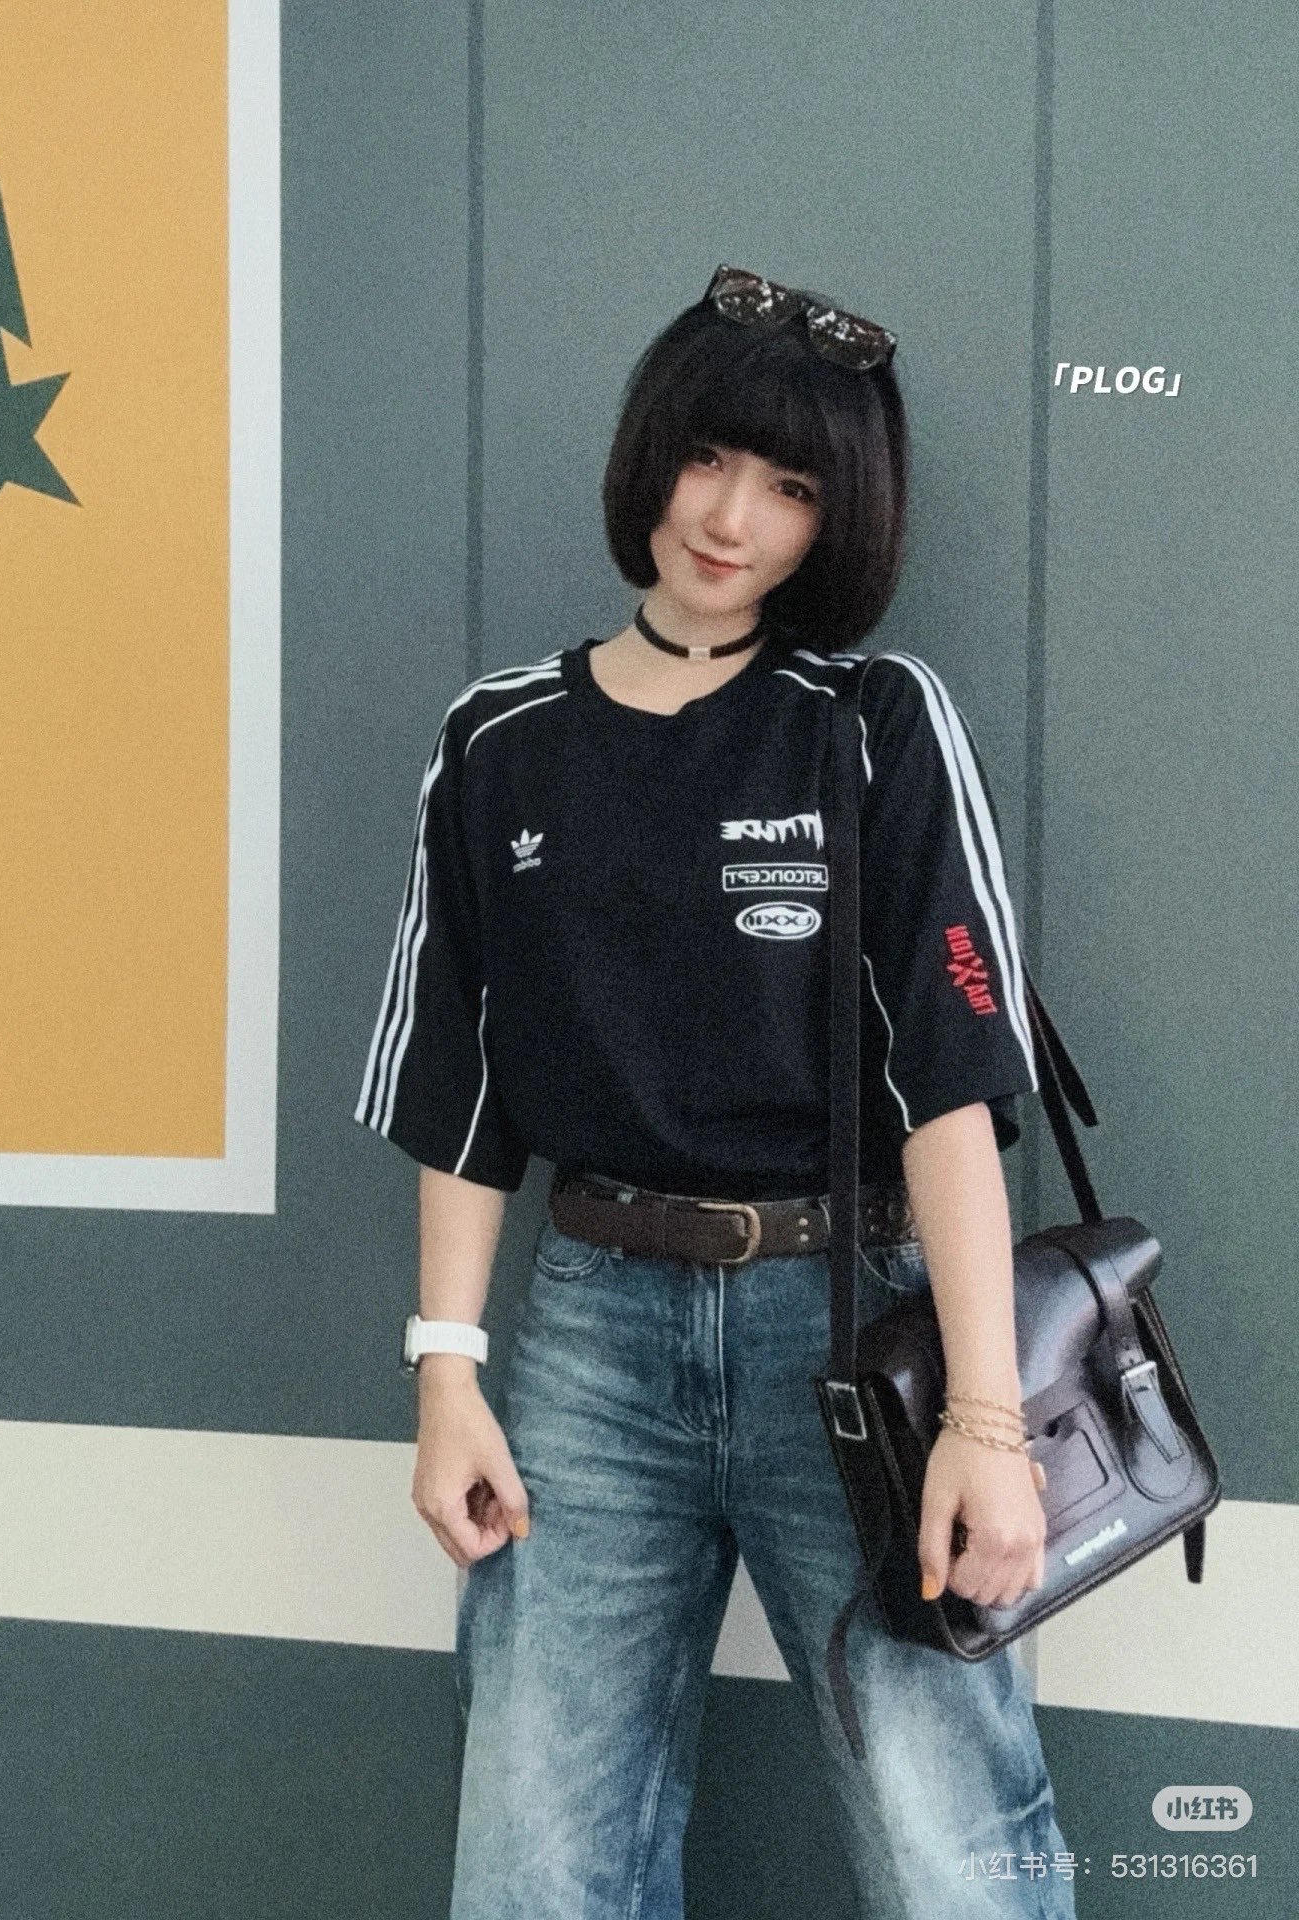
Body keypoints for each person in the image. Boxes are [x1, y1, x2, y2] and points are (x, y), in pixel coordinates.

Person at [354, 264, 1077, 1919]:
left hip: (851, 1326)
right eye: (707, 458)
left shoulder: (876, 724)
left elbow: (952, 1090)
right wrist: (446, 1371)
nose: (731, 516)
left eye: (792, 485)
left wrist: (987, 1424)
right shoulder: (497, 742)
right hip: (591, 1344)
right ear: (652, 456)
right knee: (538, 1865)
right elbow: (462, 1088)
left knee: (952, 1851)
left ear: (840, 520)